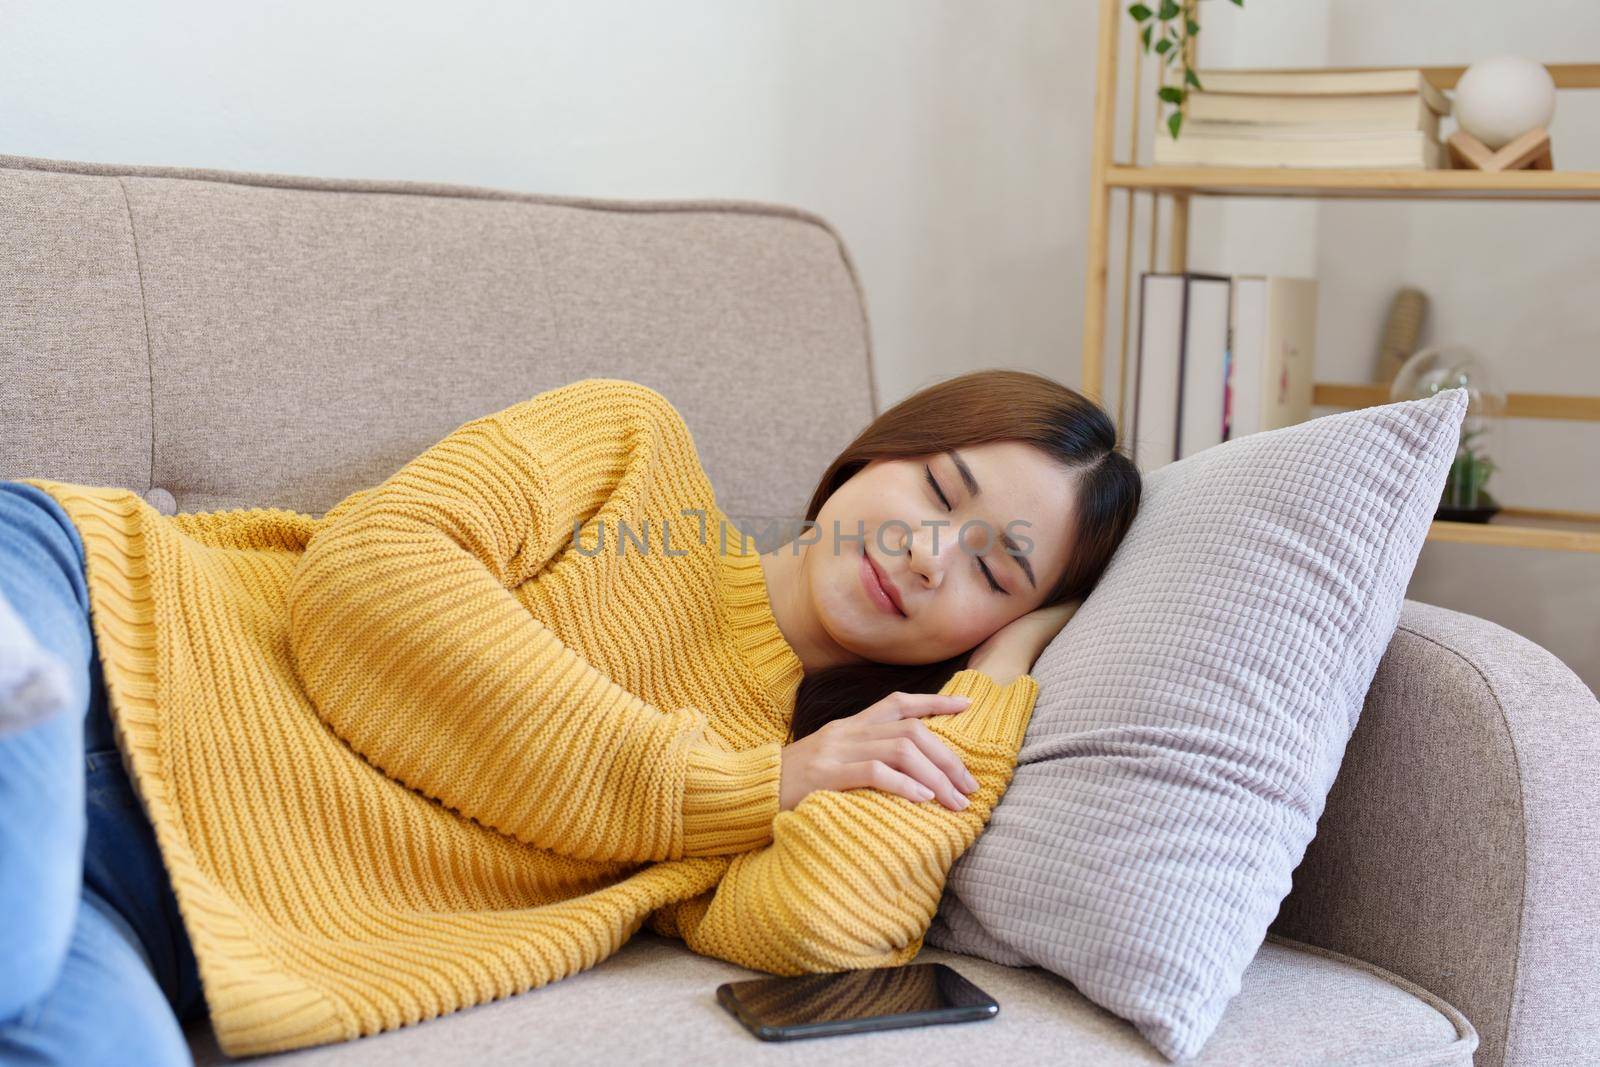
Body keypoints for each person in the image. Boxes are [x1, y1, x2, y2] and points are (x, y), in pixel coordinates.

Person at [0, 369, 1140, 1063]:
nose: (929, 554)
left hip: (159, 908)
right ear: (869, 456)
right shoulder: (632, 454)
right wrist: (747, 783)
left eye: (997, 576)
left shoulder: (798, 782)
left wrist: (1000, 675)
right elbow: (369, 580)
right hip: (88, 619)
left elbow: (826, 935)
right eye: (938, 491)